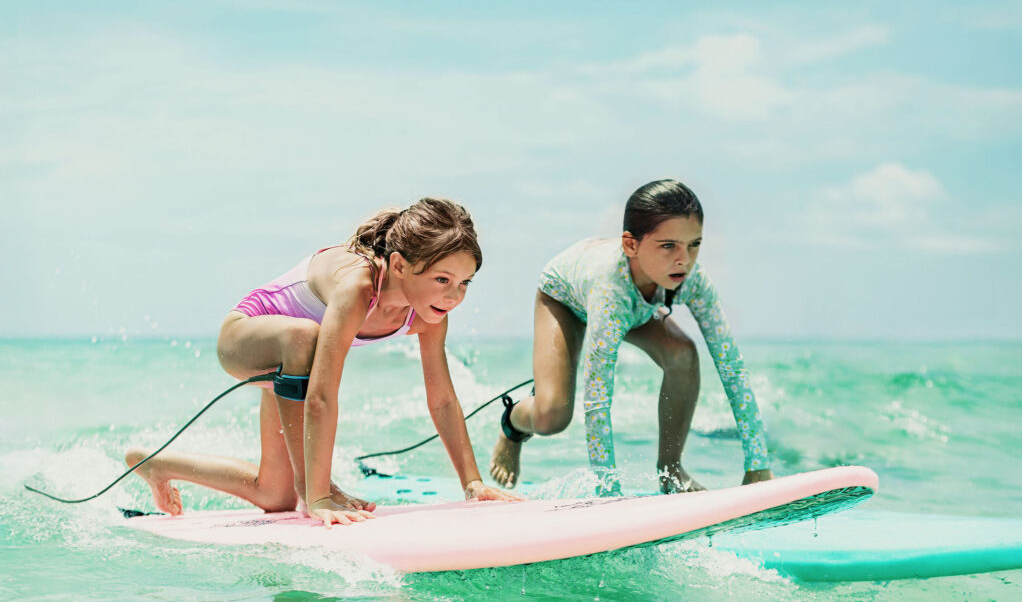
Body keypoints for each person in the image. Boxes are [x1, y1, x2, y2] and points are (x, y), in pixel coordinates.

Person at [127, 197, 516, 526]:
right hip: (248, 339)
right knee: (303, 336)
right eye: (443, 280)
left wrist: (473, 482)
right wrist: (319, 497)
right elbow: (322, 399)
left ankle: (158, 465)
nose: (454, 296)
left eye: (465, 283)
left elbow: (443, 400)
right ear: (399, 266)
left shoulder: (428, 313)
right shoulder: (359, 288)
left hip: (292, 374)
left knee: (273, 497)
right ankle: (312, 490)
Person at [490, 179, 773, 495]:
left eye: (694, 244)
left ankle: (671, 471)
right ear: (630, 245)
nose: (684, 259)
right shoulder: (609, 292)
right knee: (553, 416)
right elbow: (598, 399)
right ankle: (513, 425)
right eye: (668, 246)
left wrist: (758, 466)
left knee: (683, 354)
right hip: (565, 298)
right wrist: (608, 491)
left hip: (634, 307)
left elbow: (731, 368)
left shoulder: (692, 281)